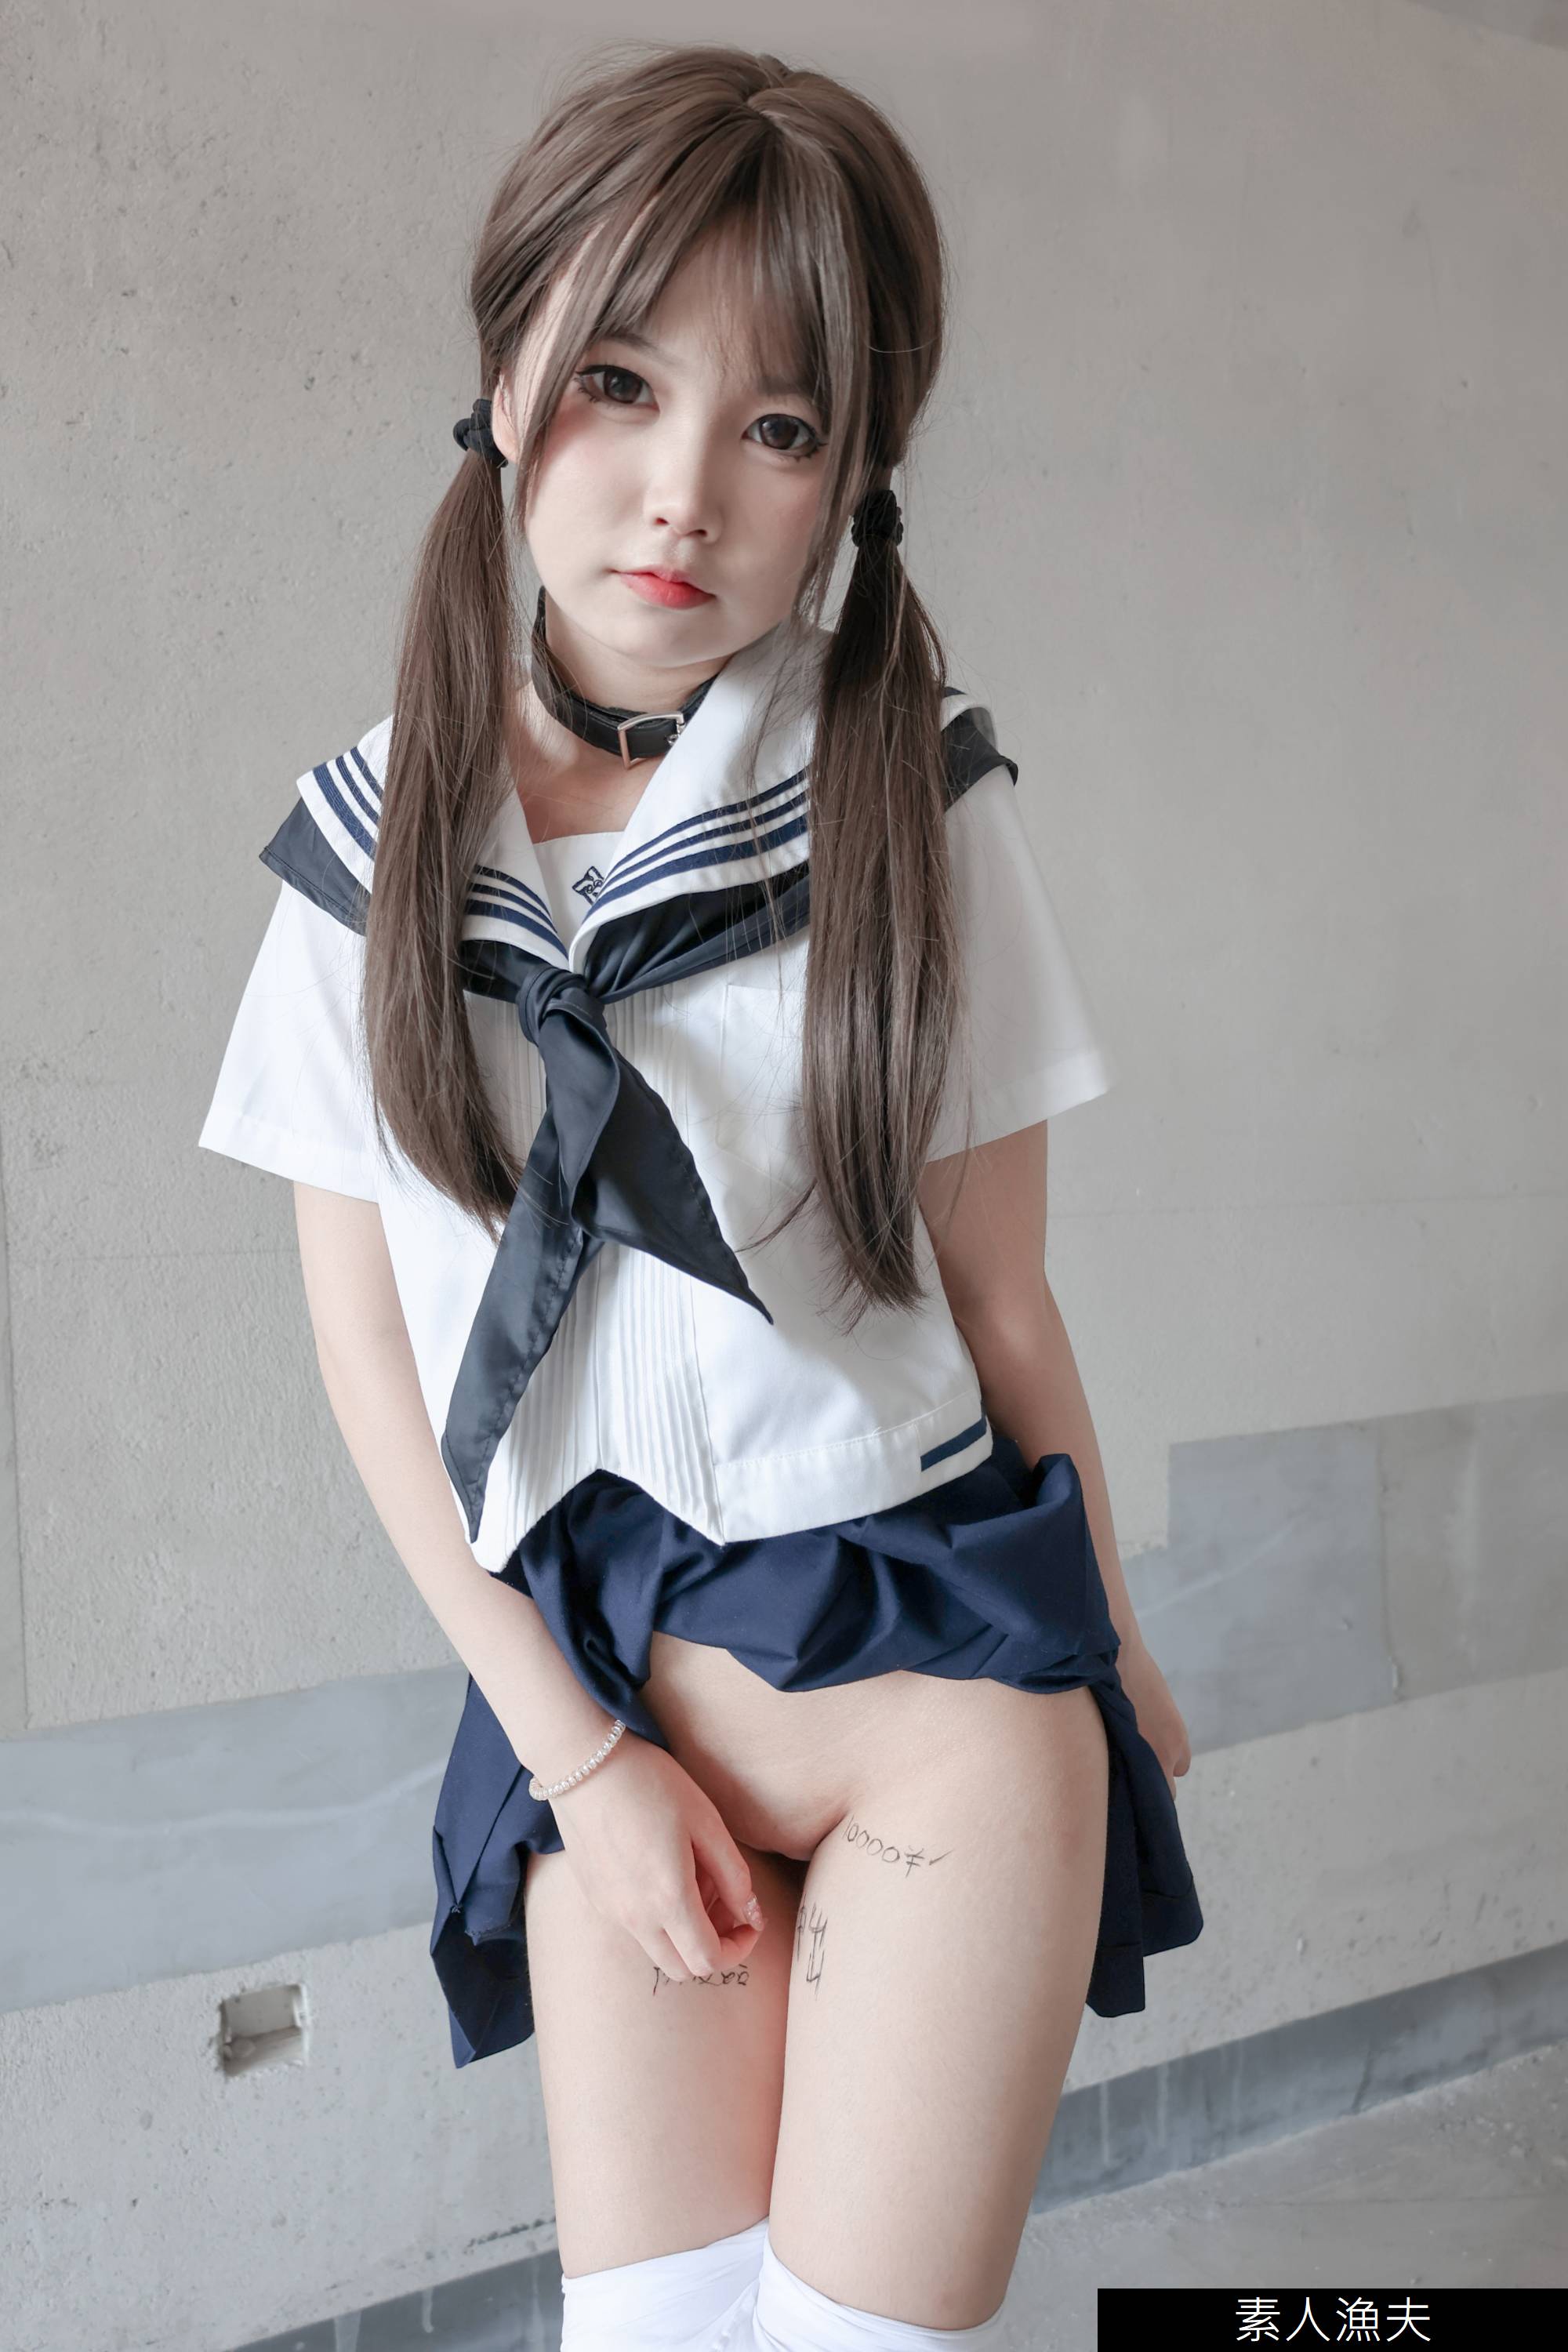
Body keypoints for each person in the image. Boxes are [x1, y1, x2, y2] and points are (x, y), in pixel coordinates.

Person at [198, 38, 1204, 2352]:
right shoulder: (365, 853)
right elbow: (369, 1356)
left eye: (780, 427)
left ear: (853, 476)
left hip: (940, 1711)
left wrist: (1120, 1646)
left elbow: (1004, 1305)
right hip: (608, 1715)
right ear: (506, 384)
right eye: (621, 385)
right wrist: (577, 1758)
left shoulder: (909, 804)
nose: (683, 495)